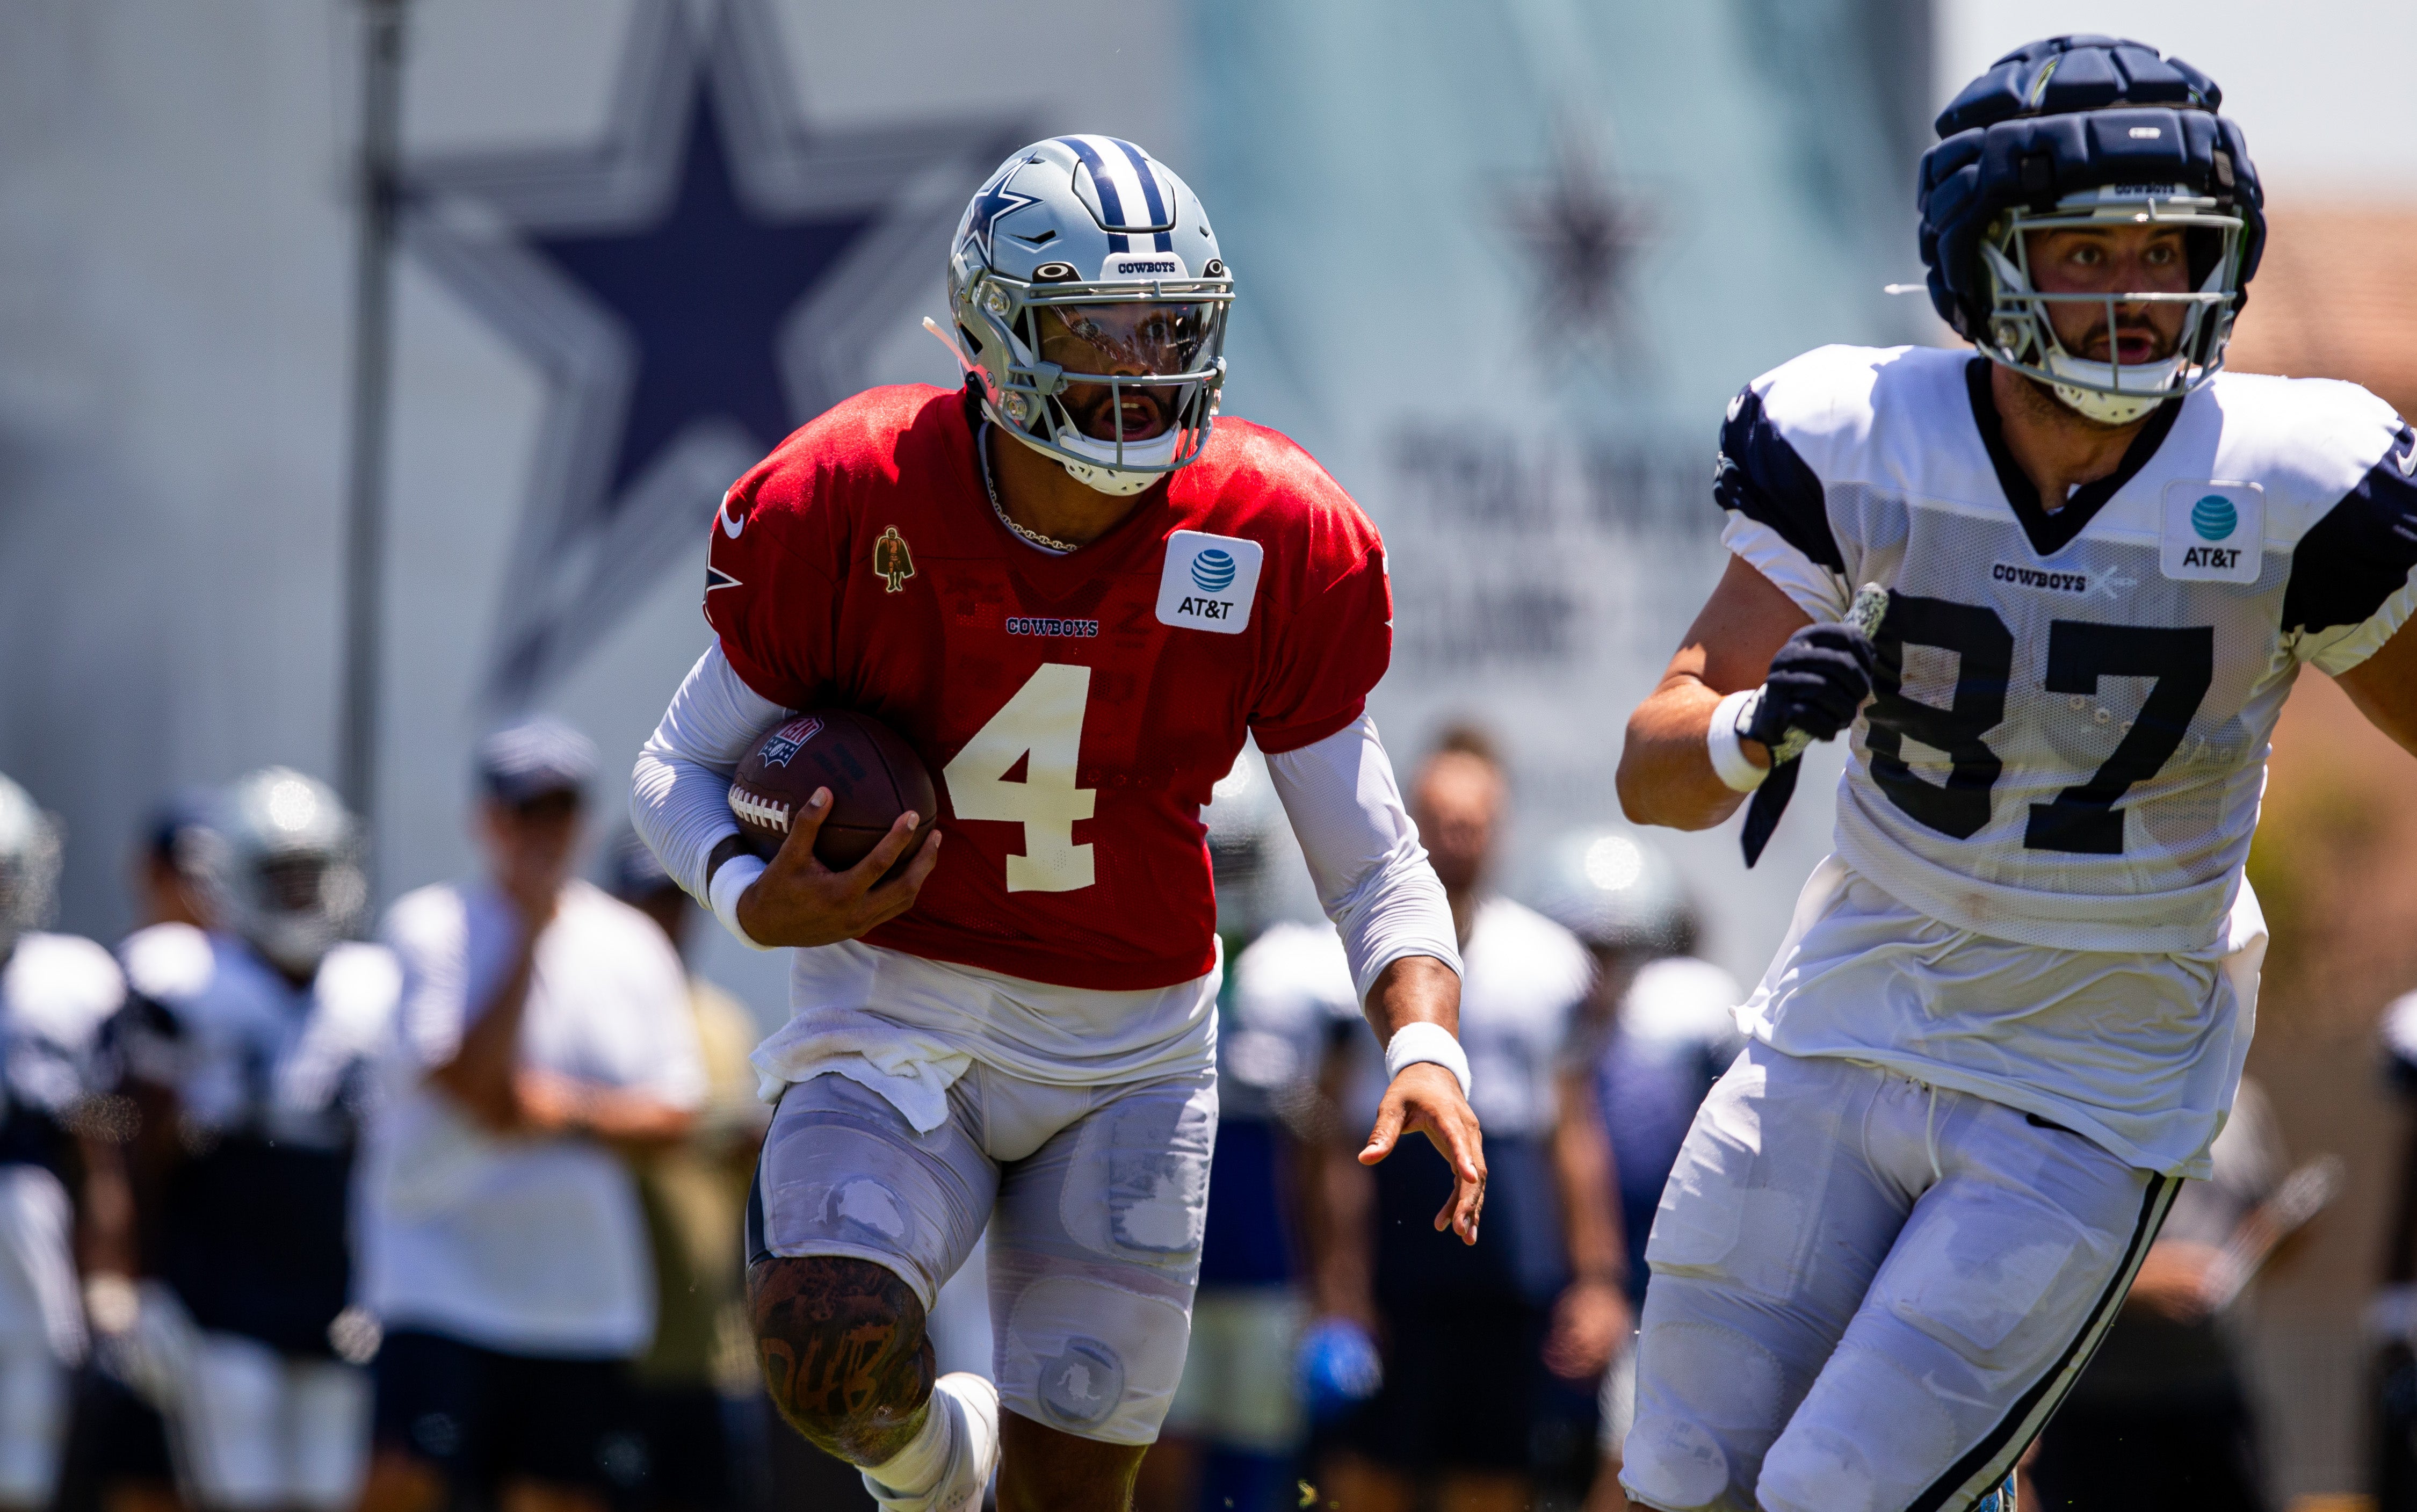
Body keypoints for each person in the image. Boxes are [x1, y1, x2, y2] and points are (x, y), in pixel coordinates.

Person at [1614, 34, 2417, 1512]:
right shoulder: (1863, 434)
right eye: (2087, 248)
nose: (2134, 291)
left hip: (2087, 1078)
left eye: (2166, 247)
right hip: (1847, 1014)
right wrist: (1746, 728)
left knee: (1841, 1487)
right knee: (1681, 1470)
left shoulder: (2295, 474)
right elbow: (1652, 769)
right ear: (1982, 261)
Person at [630, 134, 1475, 1512]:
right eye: (1096, 328)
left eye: (1167, 328)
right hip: (891, 1015)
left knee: (1075, 1496)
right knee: (824, 1345)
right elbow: (673, 768)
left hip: (1127, 1052)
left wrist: (1425, 1042)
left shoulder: (1268, 528)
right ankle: (927, 1472)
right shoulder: (853, 493)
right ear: (990, 331)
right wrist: (744, 892)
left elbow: (1370, 854)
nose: (1140, 367)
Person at [359, 720, 705, 1512]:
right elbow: (477, 1087)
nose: (543, 832)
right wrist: (526, 931)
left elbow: (677, 1115)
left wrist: (565, 1114)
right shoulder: (431, 926)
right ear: (487, 819)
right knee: (408, 1490)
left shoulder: (632, 944)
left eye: (559, 810)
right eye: (525, 811)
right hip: (437, 1284)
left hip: (579, 1303)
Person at [82, 769, 395, 1512]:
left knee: (326, 1489)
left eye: (309, 873)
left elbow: (389, 1160)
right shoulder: (179, 980)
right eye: (279, 875)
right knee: (239, 1485)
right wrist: (131, 1276)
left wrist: (390, 1280)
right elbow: (126, 1134)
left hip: (333, 1281)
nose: (299, 893)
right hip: (219, 1276)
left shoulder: (372, 984)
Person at [1525, 827, 1743, 1512]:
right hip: (1536, 1292)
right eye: (1588, 946)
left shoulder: (1683, 1035)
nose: (1603, 966)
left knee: (1628, 1464)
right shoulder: (1524, 1027)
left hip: (1648, 1297)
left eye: (1621, 948)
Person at [605, 834, 771, 1512]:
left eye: (675, 903)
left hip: (714, 1356)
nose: (664, 921)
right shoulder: (595, 1017)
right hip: (614, 1351)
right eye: (647, 902)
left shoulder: (725, 1021)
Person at [2026, 1077, 2285, 1511]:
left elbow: (2260, 1216)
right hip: (2100, 1409)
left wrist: (2275, 1242)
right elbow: (2027, 1247)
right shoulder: (2070, 1090)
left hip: (2213, 1396)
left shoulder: (2242, 1099)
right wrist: (2135, 1280)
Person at [0, 773, 124, 1512]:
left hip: (31, 1244)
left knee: (30, 1452)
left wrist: (111, 1269)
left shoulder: (75, 981)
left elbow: (106, 1138)